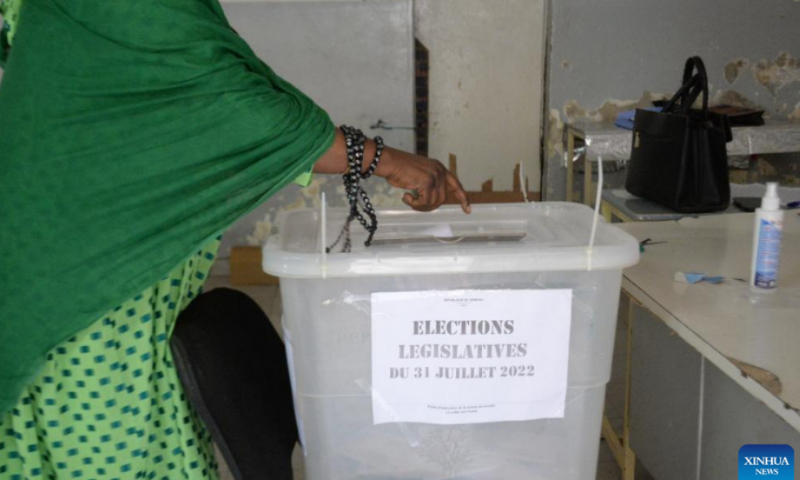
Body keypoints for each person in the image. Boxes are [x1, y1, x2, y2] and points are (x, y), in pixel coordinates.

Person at [0, 0, 470, 478]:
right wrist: (383, 160)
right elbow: (234, 109)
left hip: (69, 246)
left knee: (126, 414)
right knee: (108, 435)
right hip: (84, 280)